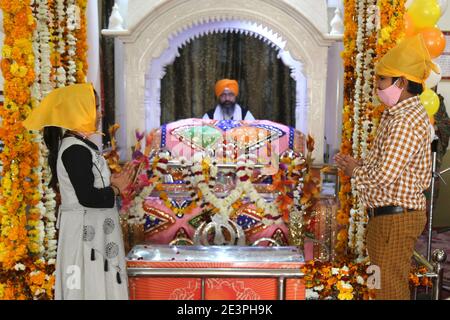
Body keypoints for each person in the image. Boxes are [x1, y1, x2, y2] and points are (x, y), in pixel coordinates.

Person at [334, 34, 438, 300]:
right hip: (387, 217)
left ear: (401, 82)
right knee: (379, 285)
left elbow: (384, 175)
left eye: (381, 79)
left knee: (389, 288)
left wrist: (354, 171)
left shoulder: (404, 121)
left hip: (396, 219)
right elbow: (385, 165)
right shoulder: (398, 115)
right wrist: (358, 165)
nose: (377, 86)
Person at [23, 83, 133, 300]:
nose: (100, 113)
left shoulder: (80, 146)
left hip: (92, 231)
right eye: (96, 106)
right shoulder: (74, 149)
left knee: (95, 285)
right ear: (80, 109)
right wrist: (116, 189)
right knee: (87, 287)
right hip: (85, 234)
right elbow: (88, 197)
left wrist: (114, 182)